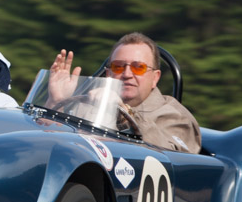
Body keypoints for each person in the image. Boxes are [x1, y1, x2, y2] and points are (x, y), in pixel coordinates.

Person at [48, 32, 201, 153]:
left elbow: (178, 158)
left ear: (155, 77)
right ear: (108, 74)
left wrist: (125, 112)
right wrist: (56, 101)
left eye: (138, 67)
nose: (127, 74)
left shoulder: (174, 115)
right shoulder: (87, 105)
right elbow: (51, 142)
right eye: (118, 67)